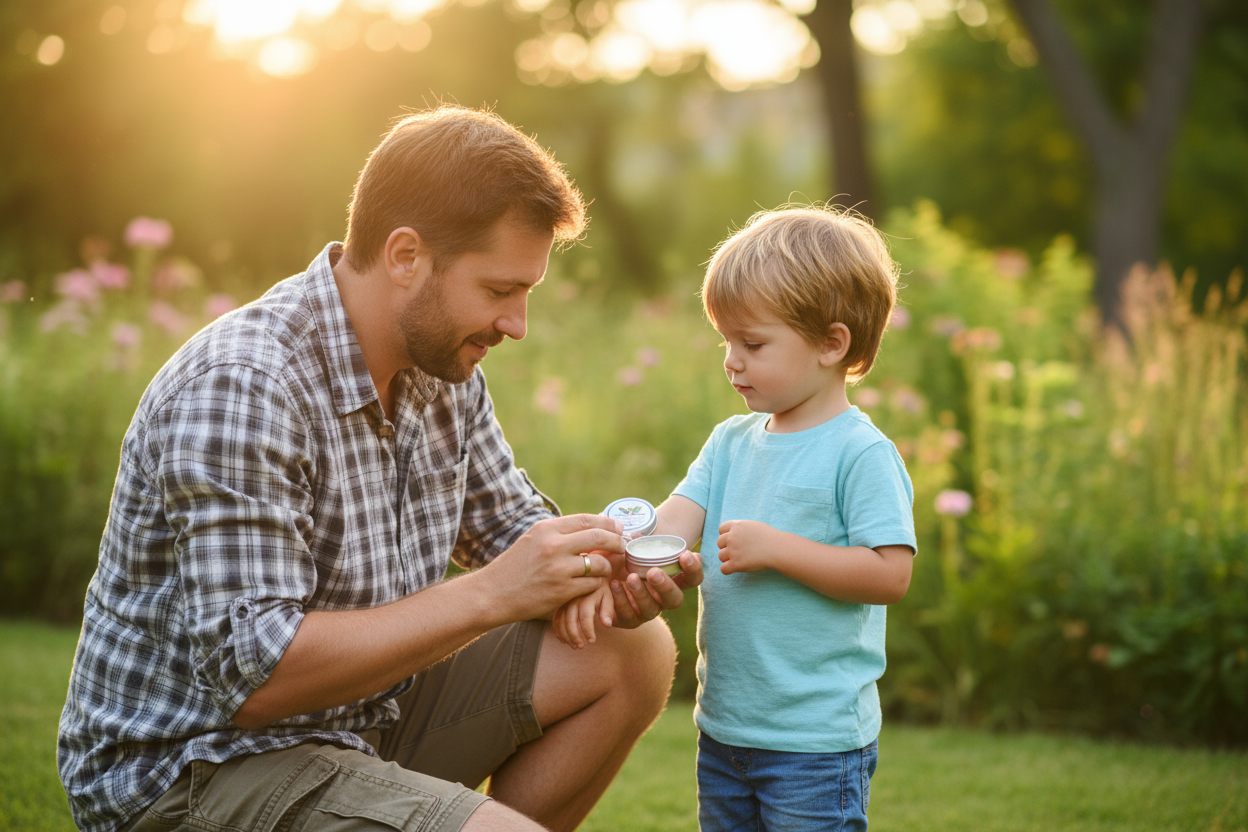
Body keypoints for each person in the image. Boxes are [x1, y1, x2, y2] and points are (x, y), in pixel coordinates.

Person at [58, 105, 702, 832]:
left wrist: (598, 574)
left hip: (359, 717)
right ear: (405, 257)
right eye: (499, 291)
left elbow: (507, 525)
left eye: (527, 293)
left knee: (629, 649)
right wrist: (497, 593)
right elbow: (255, 678)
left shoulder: (440, 367)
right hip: (198, 767)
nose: (518, 325)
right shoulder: (243, 384)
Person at [555, 206, 916, 831]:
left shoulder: (860, 453)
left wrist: (778, 549)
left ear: (833, 344)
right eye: (727, 341)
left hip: (816, 741)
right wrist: (624, 544)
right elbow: (676, 520)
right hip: (725, 728)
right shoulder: (729, 442)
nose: (732, 361)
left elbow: (889, 576)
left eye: (752, 344)